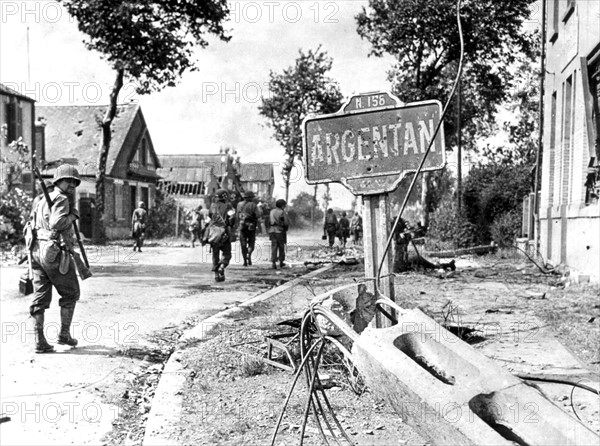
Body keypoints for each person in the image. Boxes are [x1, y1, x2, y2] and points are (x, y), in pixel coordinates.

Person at [29, 164, 81, 353]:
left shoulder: (43, 199)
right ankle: (64, 335)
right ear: (58, 181)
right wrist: (73, 215)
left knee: (40, 297)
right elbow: (57, 223)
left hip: (37, 251)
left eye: (74, 182)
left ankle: (40, 341)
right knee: (71, 293)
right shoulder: (61, 198)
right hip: (53, 252)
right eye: (68, 181)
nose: (72, 185)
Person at [208, 189, 235, 282]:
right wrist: (231, 225)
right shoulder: (228, 206)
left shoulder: (212, 206)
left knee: (215, 254)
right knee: (227, 253)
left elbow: (208, 218)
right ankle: (222, 266)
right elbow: (232, 217)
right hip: (224, 232)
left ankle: (216, 275)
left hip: (213, 233)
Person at [236, 191, 260, 266]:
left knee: (243, 243)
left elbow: (237, 215)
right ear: (251, 198)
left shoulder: (239, 204)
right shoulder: (254, 205)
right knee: (251, 242)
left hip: (242, 225)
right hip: (251, 225)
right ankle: (249, 254)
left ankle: (244, 261)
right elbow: (258, 215)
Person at [269, 199, 289, 269]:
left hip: (272, 231)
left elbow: (270, 221)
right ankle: (281, 262)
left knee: (274, 246)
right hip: (280, 231)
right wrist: (286, 228)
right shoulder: (282, 212)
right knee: (281, 246)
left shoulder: (272, 211)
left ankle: (273, 262)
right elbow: (286, 222)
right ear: (283, 206)